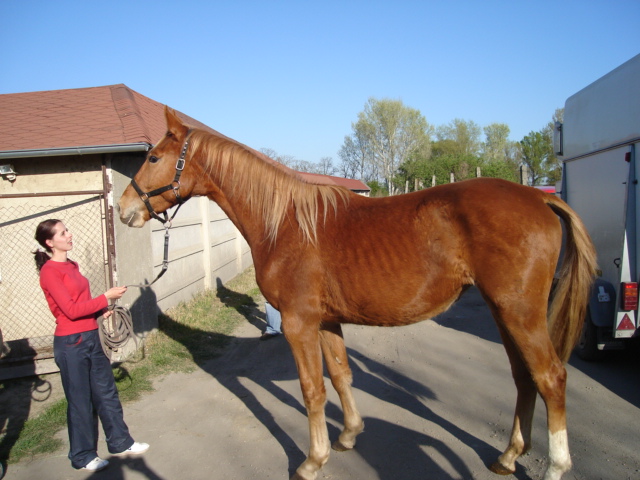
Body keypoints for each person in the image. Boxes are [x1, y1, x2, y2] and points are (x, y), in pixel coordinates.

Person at [34, 219, 149, 472]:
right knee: (80, 400)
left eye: (68, 230)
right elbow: (71, 311)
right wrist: (104, 298)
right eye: (63, 233)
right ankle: (82, 456)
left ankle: (120, 442)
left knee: (106, 392)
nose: (69, 235)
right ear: (50, 242)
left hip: (91, 336)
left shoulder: (72, 265)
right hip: (70, 344)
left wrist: (102, 311)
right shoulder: (50, 272)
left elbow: (82, 305)